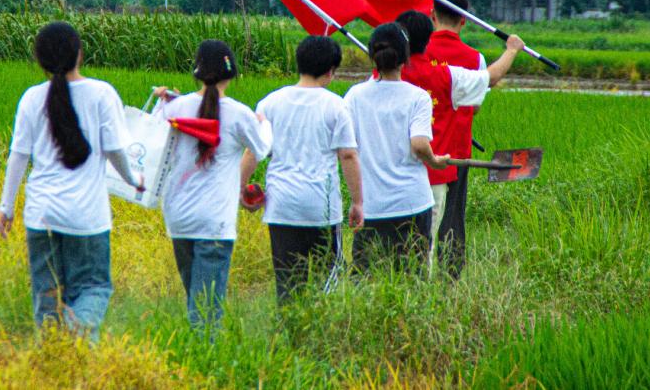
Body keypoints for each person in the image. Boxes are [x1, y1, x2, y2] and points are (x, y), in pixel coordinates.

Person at [0, 21, 144, 340]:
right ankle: (77, 341)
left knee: (46, 301)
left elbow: (18, 157)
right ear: (80, 54)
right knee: (93, 288)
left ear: (41, 60)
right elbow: (117, 151)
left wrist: (5, 209)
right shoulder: (101, 94)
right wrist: (135, 179)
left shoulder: (32, 98)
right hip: (86, 218)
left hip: (41, 216)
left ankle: (52, 363)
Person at [394, 9, 524, 276]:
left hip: (389, 176)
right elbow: (488, 81)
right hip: (435, 171)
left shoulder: (379, 79)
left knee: (391, 248)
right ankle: (425, 297)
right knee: (426, 245)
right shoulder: (446, 74)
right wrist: (511, 50)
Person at [152, 40, 271, 329]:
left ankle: (192, 358)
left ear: (197, 71)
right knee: (206, 311)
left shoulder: (175, 108)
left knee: (196, 297)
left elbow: (152, 139)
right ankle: (203, 364)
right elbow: (262, 148)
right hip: (214, 222)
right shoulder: (241, 114)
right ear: (230, 74)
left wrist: (163, 102)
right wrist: (263, 123)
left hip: (178, 218)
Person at [241, 35, 363, 303]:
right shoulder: (336, 105)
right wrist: (358, 202)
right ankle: (319, 341)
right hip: (321, 209)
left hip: (281, 207)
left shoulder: (270, 103)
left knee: (288, 285)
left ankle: (288, 338)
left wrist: (240, 189)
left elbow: (253, 151)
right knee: (326, 286)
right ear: (331, 71)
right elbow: (349, 156)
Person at [344, 23, 450, 273]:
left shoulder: (354, 96)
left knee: (367, 278)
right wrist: (435, 161)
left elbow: (347, 148)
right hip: (412, 203)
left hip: (371, 205)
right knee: (412, 277)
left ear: (373, 57)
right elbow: (420, 144)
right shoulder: (418, 97)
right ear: (405, 58)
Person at [424, 0, 485, 279]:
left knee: (418, 217)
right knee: (452, 218)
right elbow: (475, 106)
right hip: (457, 153)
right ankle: (449, 279)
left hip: (419, 152)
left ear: (432, 15)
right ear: (464, 21)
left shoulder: (416, 55)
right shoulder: (476, 59)